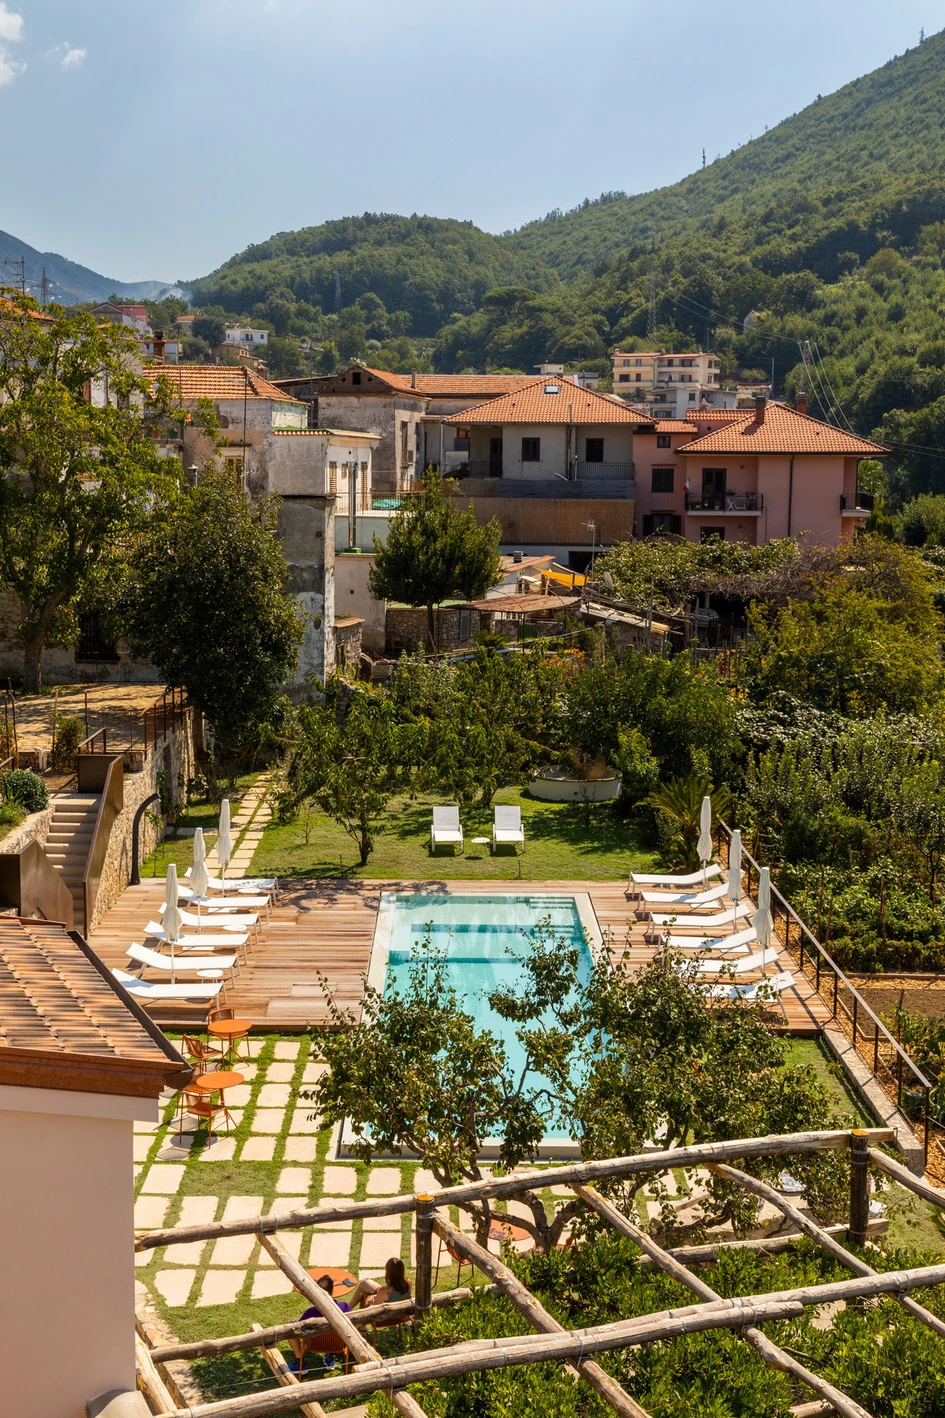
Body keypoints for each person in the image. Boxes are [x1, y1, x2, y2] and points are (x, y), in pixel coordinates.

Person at [289, 1273, 351, 1373]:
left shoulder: (310, 1312)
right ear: (332, 1290)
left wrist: (291, 1323)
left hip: (314, 1345)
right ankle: (331, 1357)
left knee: (290, 1329)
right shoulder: (345, 1307)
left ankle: (300, 1364)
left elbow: (299, 1330)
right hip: (337, 1345)